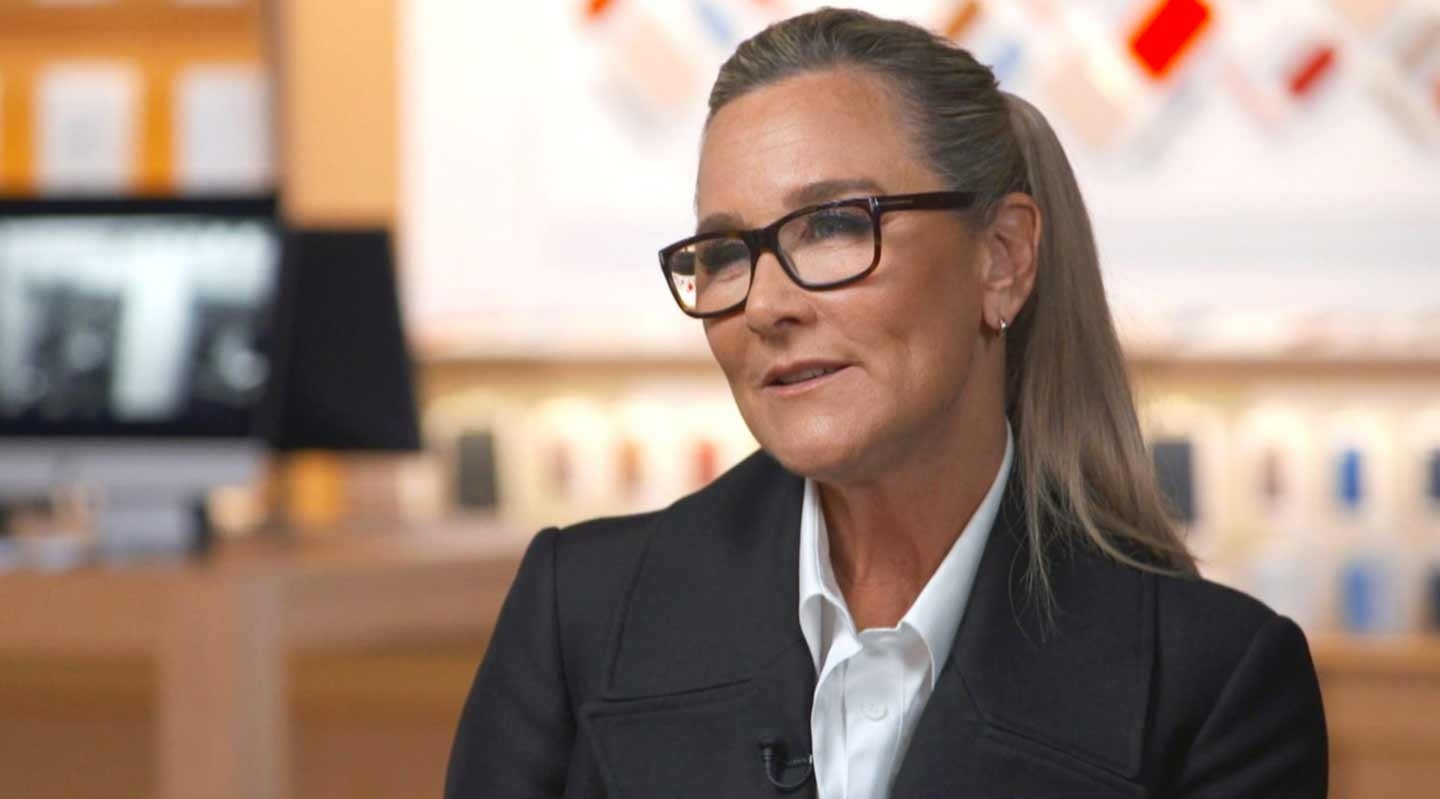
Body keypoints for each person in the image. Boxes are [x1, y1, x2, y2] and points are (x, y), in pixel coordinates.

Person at [445, 8, 1327, 798]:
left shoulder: (1214, 684)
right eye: (724, 253)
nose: (764, 305)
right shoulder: (579, 611)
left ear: (1003, 258)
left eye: (833, 225)